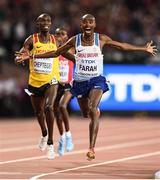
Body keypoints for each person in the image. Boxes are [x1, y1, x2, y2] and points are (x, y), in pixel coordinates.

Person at [16, 14, 157, 160]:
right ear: (81, 25)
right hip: (80, 82)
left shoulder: (101, 39)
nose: (88, 24)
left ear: (94, 25)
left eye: (91, 22)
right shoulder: (74, 40)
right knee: (86, 113)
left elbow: (122, 46)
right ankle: (90, 114)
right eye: (85, 22)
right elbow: (56, 52)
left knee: (93, 109)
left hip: (96, 79)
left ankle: (91, 148)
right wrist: (32, 57)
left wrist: (143, 49)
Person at [14, 13, 74, 160]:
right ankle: (44, 134)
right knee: (39, 112)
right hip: (35, 81)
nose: (46, 23)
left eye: (48, 20)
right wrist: (19, 57)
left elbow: (64, 53)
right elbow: (23, 52)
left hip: (52, 80)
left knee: (49, 107)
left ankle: (50, 144)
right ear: (37, 24)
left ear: (51, 23)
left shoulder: (55, 40)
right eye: (42, 21)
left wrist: (79, 61)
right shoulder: (32, 39)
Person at [54, 27, 74, 156]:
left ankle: (68, 136)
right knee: (56, 114)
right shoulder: (53, 50)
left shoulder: (72, 49)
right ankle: (61, 138)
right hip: (56, 85)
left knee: (62, 105)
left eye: (63, 34)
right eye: (58, 34)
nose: (60, 36)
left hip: (68, 85)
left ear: (67, 36)